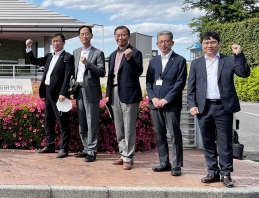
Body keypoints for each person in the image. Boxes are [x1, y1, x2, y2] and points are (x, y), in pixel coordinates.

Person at [188, 31, 250, 187]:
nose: (210, 45)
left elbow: (244, 73)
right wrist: (192, 104)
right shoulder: (196, 64)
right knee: (207, 142)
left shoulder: (228, 60)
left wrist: (239, 55)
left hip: (224, 107)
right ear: (202, 45)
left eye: (213, 42)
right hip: (204, 108)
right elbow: (191, 87)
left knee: (225, 142)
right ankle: (212, 171)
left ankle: (226, 173)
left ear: (219, 44)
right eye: (206, 43)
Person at [146, 31, 187, 176]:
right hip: (156, 104)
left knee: (175, 135)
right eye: (161, 42)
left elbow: (180, 83)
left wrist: (166, 99)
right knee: (159, 134)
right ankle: (164, 162)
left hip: (171, 104)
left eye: (166, 41)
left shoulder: (180, 60)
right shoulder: (154, 61)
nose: (163, 44)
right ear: (157, 44)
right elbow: (149, 82)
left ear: (172, 43)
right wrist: (153, 98)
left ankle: (177, 165)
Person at [26, 34, 74, 158]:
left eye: (58, 41)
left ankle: (64, 148)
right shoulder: (49, 56)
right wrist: (28, 48)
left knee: (62, 122)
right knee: (48, 120)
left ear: (63, 43)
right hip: (47, 92)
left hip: (59, 95)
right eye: (54, 41)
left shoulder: (68, 57)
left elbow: (68, 76)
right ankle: (50, 145)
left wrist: (63, 92)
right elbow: (34, 61)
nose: (56, 43)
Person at [106, 25, 143, 170]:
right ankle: (123, 154)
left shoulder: (135, 52)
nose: (120, 38)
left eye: (123, 35)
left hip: (129, 93)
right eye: (117, 35)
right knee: (119, 127)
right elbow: (111, 76)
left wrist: (130, 59)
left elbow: (138, 71)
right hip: (114, 92)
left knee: (129, 127)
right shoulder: (113, 55)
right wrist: (108, 94)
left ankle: (129, 157)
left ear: (128, 36)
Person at [72, 25, 105, 163]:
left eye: (87, 33)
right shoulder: (75, 52)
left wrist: (88, 64)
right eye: (82, 34)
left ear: (91, 36)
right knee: (82, 122)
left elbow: (102, 72)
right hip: (78, 90)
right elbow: (74, 72)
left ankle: (92, 150)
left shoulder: (98, 53)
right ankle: (85, 148)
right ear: (79, 37)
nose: (84, 36)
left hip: (91, 91)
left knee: (92, 122)